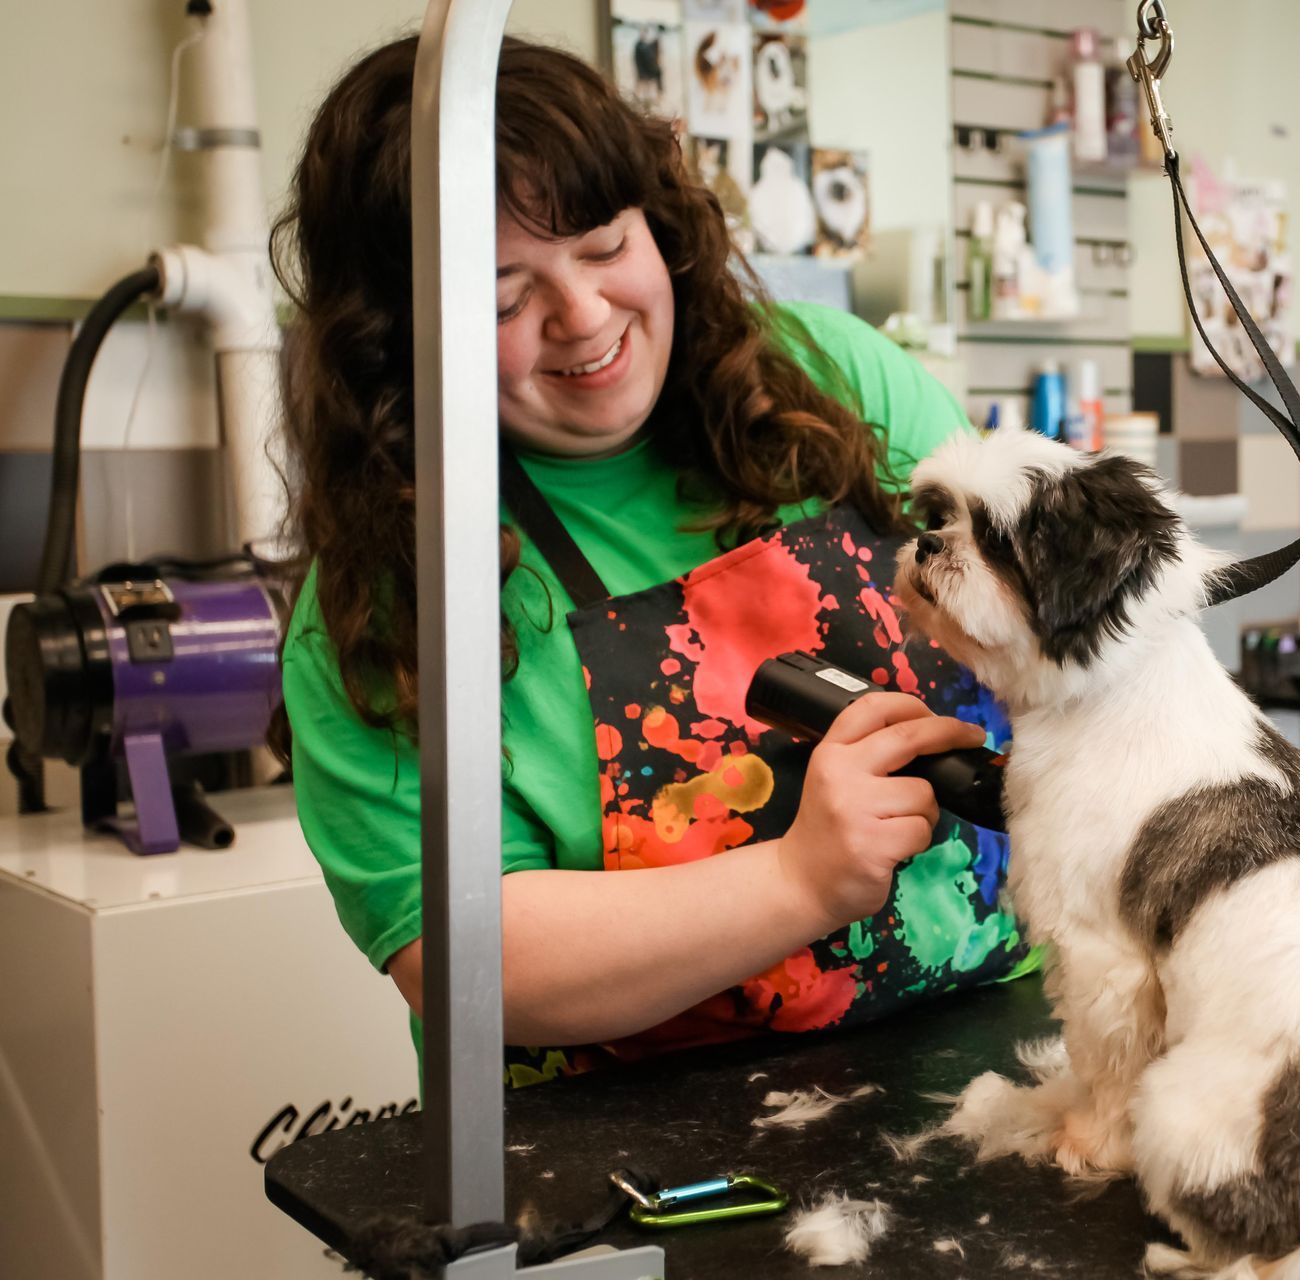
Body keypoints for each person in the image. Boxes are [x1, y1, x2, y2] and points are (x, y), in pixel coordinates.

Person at [271, 35, 1035, 1084]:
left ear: (657, 223)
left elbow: (1049, 646)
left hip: (987, 1057)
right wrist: (800, 880)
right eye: (502, 296)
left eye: (600, 243)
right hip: (625, 1148)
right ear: (399, 332)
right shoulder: (388, 595)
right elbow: (468, 962)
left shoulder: (835, 380)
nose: (584, 318)